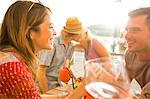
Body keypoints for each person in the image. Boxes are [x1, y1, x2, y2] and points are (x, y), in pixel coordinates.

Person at [37, 17, 110, 93]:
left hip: (59, 85)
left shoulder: (71, 45)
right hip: (47, 86)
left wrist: (75, 80)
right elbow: (41, 71)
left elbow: (66, 66)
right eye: (77, 34)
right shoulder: (53, 43)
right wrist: (46, 94)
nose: (79, 37)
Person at [0, 0, 56, 98]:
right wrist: (83, 88)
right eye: (50, 27)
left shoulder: (10, 58)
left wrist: (59, 97)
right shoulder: (14, 70)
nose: (55, 32)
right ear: (30, 32)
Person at [125, 7, 150, 98]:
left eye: (135, 30)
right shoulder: (130, 54)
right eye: (127, 30)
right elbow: (122, 85)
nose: (126, 36)